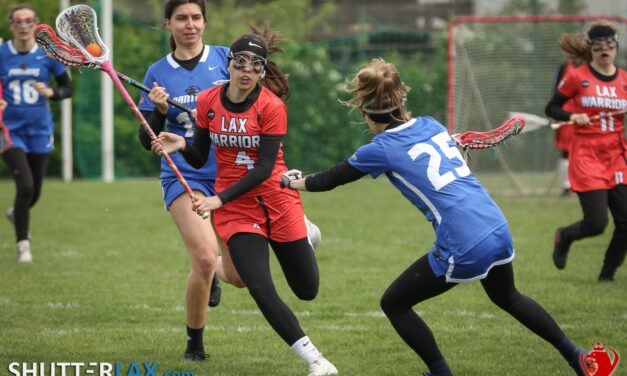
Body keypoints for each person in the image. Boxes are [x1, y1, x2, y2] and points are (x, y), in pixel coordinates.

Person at [281, 58, 592, 376]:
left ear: (366, 113)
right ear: (401, 102)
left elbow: (331, 178)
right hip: (495, 225)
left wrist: (291, 181)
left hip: (464, 242)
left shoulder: (380, 148)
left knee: (394, 303)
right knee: (508, 297)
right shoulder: (432, 125)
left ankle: (440, 373)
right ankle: (576, 355)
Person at [152, 26, 338, 376]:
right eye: (241, 61)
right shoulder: (208, 100)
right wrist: (180, 145)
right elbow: (199, 155)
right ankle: (317, 361)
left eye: (256, 64)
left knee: (307, 290)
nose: (247, 69)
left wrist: (217, 199)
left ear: (262, 72)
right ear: (230, 66)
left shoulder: (271, 106)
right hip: (239, 210)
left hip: (275, 199)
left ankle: (306, 231)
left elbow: (265, 168)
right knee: (259, 286)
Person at [137, 0, 230, 361]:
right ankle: (195, 344)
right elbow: (148, 140)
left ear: (205, 21)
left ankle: (217, 272)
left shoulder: (225, 59)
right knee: (205, 259)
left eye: (195, 17)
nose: (189, 25)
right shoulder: (157, 73)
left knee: (237, 276)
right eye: (181, 18)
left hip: (228, 174)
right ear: (168, 24)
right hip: (184, 173)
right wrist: (159, 112)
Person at [545, 21, 626, 282]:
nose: (605, 50)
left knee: (626, 221)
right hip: (587, 155)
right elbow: (552, 108)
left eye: (609, 46)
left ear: (616, 48)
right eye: (599, 46)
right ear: (591, 49)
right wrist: (573, 115)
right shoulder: (577, 77)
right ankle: (564, 236)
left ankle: (607, 274)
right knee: (596, 223)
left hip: (616, 155)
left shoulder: (624, 79)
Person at [0, 4, 72, 263]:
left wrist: (52, 93)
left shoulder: (47, 55)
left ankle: (16, 213)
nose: (23, 26)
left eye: (28, 21)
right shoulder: (1, 53)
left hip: (40, 130)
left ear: (36, 24)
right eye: (18, 21)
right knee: (26, 185)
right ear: (11, 24)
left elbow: (67, 88)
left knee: (35, 191)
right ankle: (23, 245)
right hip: (9, 131)